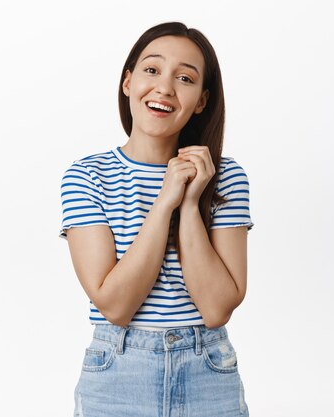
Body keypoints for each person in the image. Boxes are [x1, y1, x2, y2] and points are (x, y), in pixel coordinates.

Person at [59, 21, 253, 417]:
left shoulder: (224, 175)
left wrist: (189, 202)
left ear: (201, 100)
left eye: (185, 77)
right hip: (117, 373)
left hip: (209, 372)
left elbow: (217, 309)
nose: (165, 87)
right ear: (127, 82)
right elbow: (115, 304)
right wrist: (164, 202)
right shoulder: (87, 176)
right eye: (152, 70)